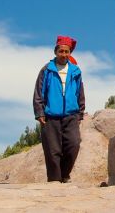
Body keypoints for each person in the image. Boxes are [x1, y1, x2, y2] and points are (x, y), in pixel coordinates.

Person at [33, 35, 85, 183]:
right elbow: (39, 91)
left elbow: (80, 92)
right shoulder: (47, 70)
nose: (64, 54)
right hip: (51, 116)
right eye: (61, 51)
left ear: (70, 53)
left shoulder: (75, 71)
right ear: (56, 52)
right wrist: (39, 112)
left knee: (74, 145)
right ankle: (55, 180)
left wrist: (80, 112)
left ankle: (64, 174)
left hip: (71, 115)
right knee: (52, 151)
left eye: (66, 51)